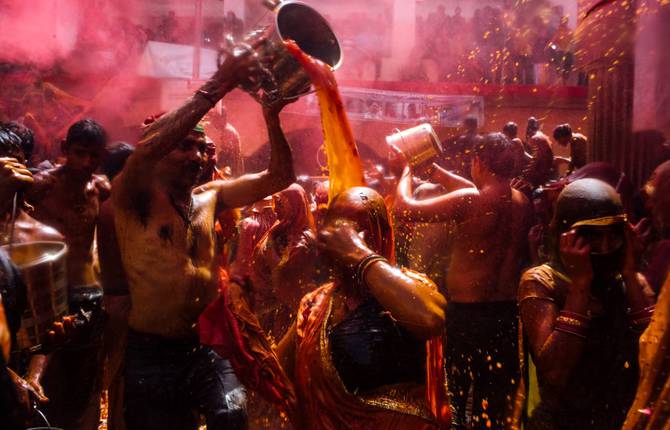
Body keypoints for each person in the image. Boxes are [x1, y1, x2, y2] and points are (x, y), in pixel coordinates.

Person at [113, 49, 295, 430]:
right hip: (151, 351)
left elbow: (279, 178)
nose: (197, 155)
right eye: (185, 146)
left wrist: (272, 117)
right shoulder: (133, 197)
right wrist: (217, 86)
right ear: (160, 149)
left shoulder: (211, 197)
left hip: (207, 347)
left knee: (232, 415)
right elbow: (146, 151)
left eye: (201, 148)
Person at [277, 187, 449, 429]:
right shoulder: (316, 304)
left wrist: (359, 254)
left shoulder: (412, 286)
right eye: (338, 227)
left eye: (360, 227)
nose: (345, 237)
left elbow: (430, 318)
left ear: (384, 235)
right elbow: (274, 372)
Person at [395, 133, 533, 429]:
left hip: (467, 318)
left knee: (455, 403)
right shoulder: (522, 202)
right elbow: (471, 190)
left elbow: (403, 208)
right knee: (494, 410)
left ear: (479, 161)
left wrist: (406, 169)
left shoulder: (471, 201)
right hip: (506, 316)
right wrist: (432, 170)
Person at [517, 178, 655, 429]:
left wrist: (630, 275)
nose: (604, 247)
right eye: (592, 237)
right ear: (566, 236)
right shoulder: (543, 281)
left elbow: (655, 356)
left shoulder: (629, 279)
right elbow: (555, 372)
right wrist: (581, 284)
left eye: (612, 236)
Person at [25, 118, 110, 430]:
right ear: (64, 149)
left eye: (94, 156)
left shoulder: (101, 189)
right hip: (44, 297)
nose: (86, 162)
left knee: (84, 381)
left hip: (87, 296)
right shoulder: (40, 187)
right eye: (79, 153)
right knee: (43, 381)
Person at [98, 141, 135, 430]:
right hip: (123, 303)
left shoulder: (97, 204)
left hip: (105, 301)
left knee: (112, 378)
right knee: (122, 381)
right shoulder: (118, 208)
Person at [250, 183, 317, 340]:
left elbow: (282, 275)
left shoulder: (304, 241)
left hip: (287, 312)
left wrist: (271, 239)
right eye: (275, 202)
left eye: (280, 203)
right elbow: (258, 256)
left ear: (295, 206)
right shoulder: (282, 229)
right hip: (269, 308)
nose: (275, 209)